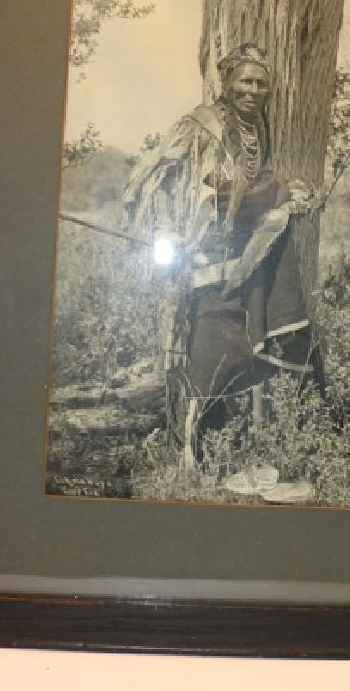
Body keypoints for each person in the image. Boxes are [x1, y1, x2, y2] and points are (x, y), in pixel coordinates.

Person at [124, 43, 319, 465]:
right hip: (203, 251)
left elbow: (256, 184)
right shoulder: (202, 125)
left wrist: (285, 193)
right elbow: (161, 174)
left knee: (243, 345)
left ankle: (236, 447)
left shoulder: (259, 128)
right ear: (228, 83)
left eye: (261, 84)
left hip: (243, 253)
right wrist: (168, 229)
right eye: (245, 81)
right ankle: (191, 451)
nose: (252, 90)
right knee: (209, 345)